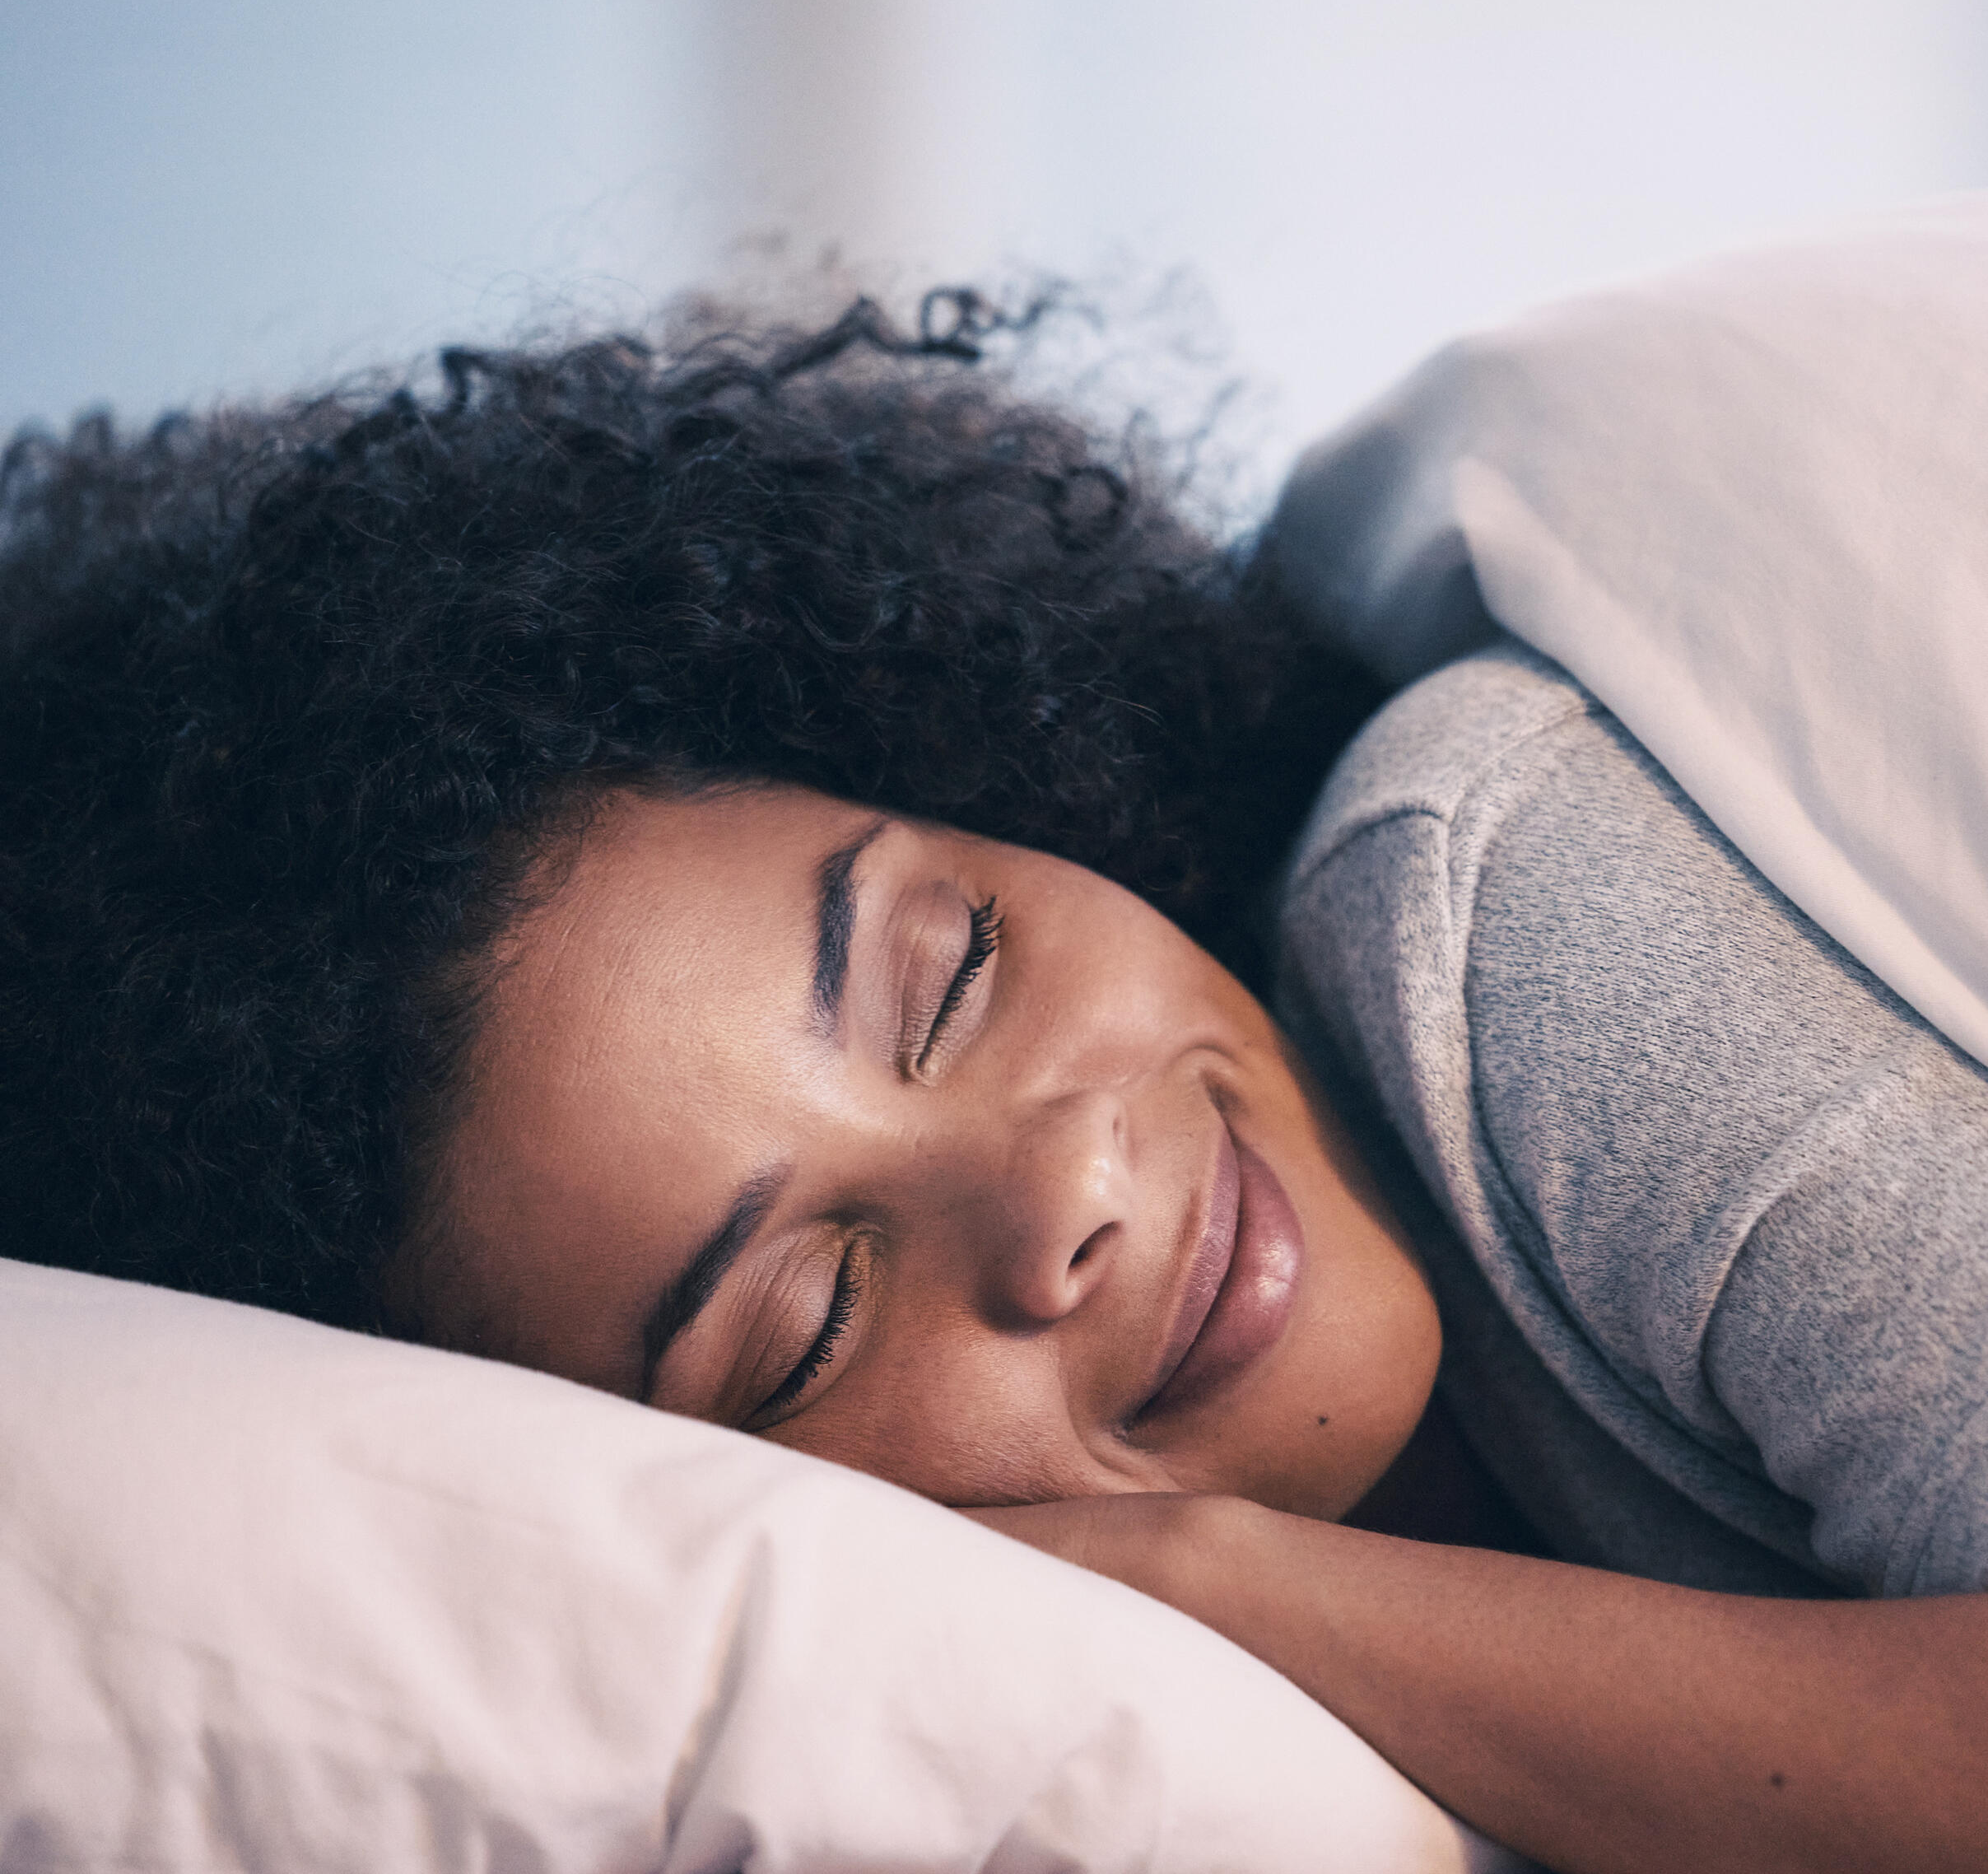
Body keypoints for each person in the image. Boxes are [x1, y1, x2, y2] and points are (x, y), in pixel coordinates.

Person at [2, 296, 1981, 1874]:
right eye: (811, 1314)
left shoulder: (1501, 926)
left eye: (943, 968)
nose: (1062, 1194)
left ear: (1018, 785)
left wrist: (1220, 1572)